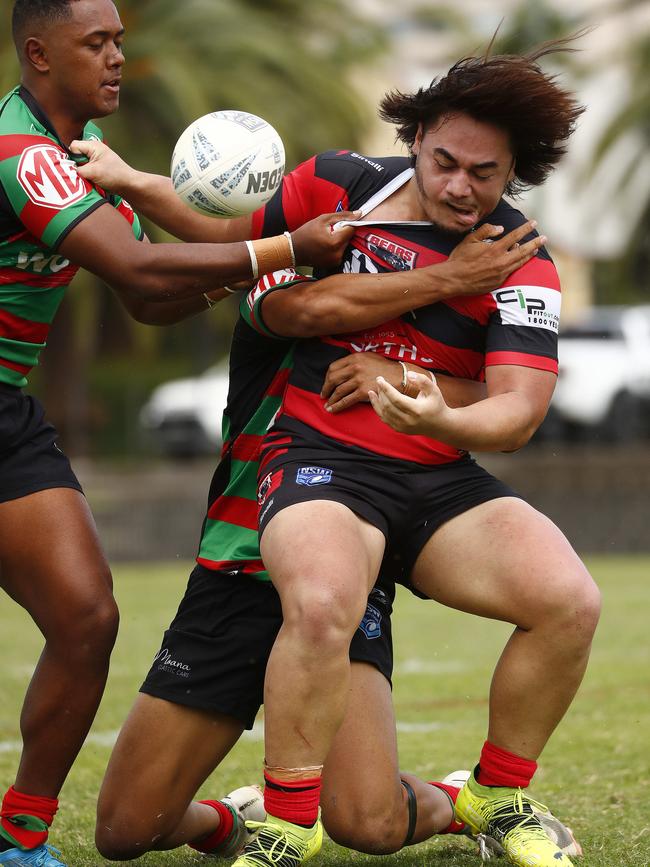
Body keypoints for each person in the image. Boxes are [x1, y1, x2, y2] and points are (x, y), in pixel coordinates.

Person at [71, 39, 596, 867]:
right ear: (414, 138)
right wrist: (134, 183)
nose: (459, 185)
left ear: (514, 173)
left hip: (426, 480)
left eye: (484, 173)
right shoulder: (337, 196)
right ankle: (273, 820)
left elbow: (518, 409)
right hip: (307, 479)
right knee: (126, 829)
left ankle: (491, 797)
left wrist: (429, 408)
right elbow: (254, 256)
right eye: (444, 161)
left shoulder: (521, 259)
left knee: (568, 598)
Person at [0, 2, 354, 865]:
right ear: (39, 53)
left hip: (5, 410)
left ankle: (20, 838)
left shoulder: (79, 161)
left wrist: (283, 262)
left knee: (86, 618)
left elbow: (151, 299)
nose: (119, 58)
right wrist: (280, 248)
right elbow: (138, 265)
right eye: (98, 44)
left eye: (120, 40)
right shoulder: (22, 156)